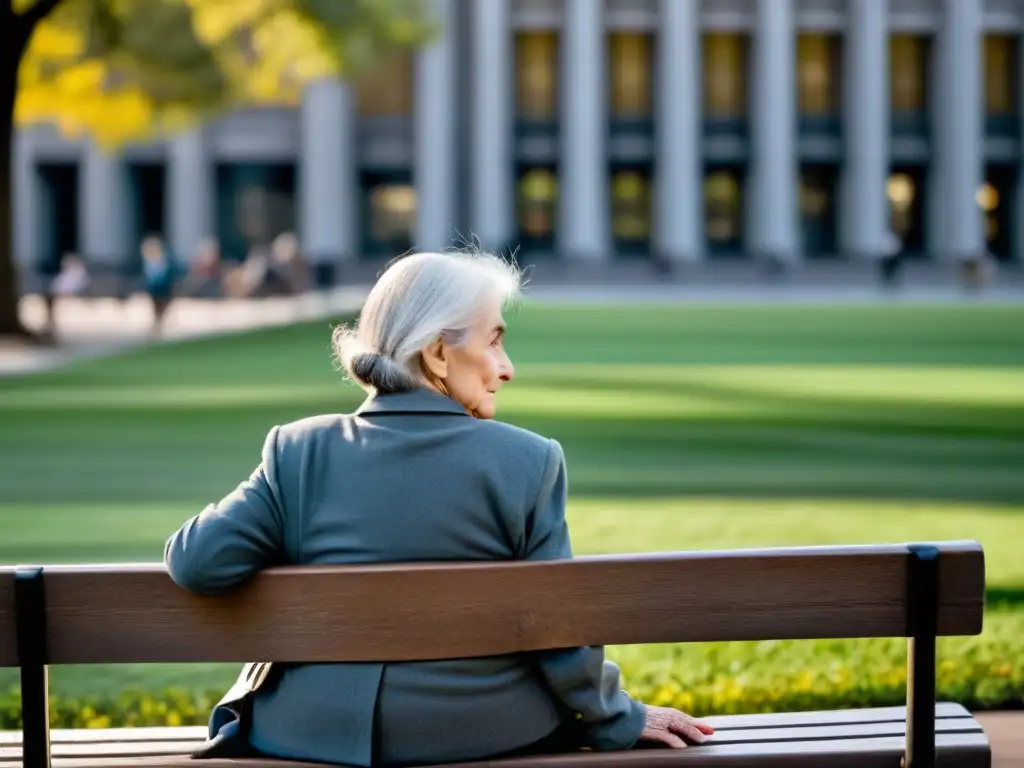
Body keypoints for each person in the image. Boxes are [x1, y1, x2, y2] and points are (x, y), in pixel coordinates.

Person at [163, 250, 714, 767]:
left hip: (311, 732)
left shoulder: (298, 451)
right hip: (484, 733)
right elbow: (557, 629)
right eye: (494, 340)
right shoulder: (528, 460)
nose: (507, 368)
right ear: (436, 353)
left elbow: (197, 561)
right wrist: (621, 718)